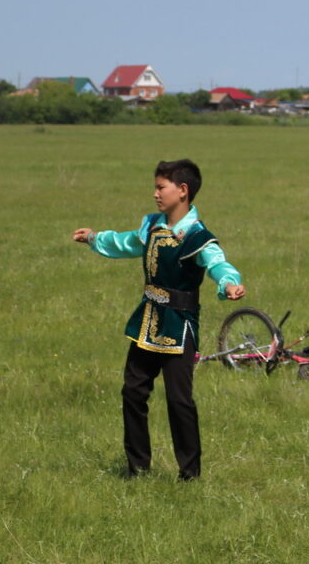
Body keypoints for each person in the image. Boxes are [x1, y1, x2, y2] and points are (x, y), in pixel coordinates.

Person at [71, 158, 244, 480]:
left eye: (160, 187)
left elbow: (218, 263)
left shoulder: (197, 236)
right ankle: (137, 467)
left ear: (182, 190)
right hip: (147, 322)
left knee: (180, 401)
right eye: (155, 186)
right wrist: (95, 238)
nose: (155, 194)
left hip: (180, 326)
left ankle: (189, 474)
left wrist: (229, 283)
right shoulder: (151, 226)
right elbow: (126, 242)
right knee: (133, 391)